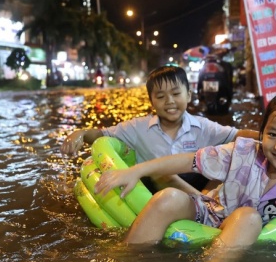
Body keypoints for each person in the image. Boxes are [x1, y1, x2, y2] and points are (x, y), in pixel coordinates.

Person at [94, 89, 276, 254]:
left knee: (248, 217)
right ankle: (123, 261)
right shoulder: (243, 152)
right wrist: (135, 171)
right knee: (167, 196)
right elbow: (188, 161)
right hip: (211, 212)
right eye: (272, 135)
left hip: (246, 229)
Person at [61, 65, 259, 193]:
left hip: (196, 188)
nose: (170, 102)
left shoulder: (203, 127)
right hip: (158, 190)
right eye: (161, 96)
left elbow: (238, 135)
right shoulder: (137, 128)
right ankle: (204, 205)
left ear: (189, 95)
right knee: (161, 172)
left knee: (230, 161)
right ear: (151, 101)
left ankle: (205, 203)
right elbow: (102, 135)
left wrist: (270, 137)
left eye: (175, 93)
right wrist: (81, 133)